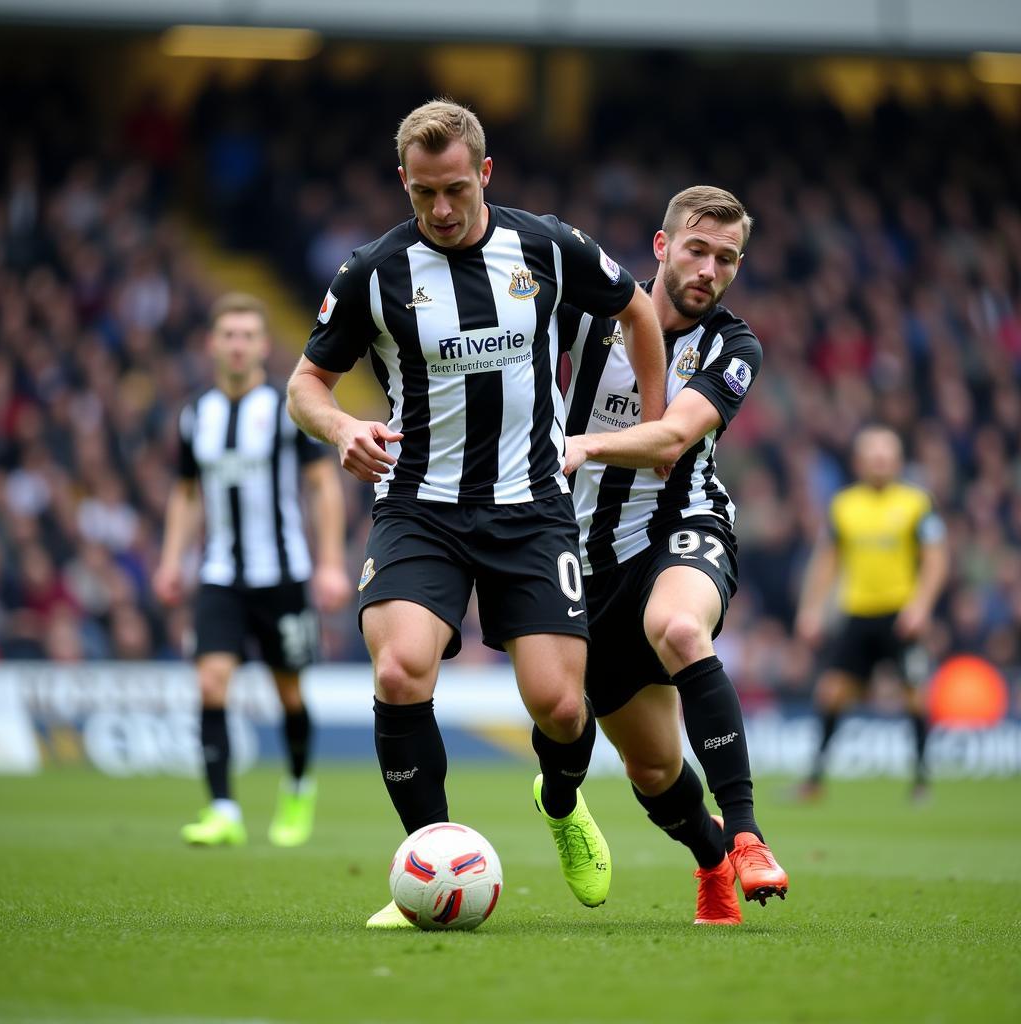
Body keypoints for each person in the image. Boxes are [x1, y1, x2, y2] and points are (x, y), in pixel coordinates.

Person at [286, 99, 667, 928]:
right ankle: (429, 861)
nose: (443, 210)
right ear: (405, 184)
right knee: (397, 670)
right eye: (424, 194)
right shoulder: (372, 273)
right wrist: (344, 425)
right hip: (419, 506)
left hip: (531, 507)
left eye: (456, 188)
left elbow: (638, 307)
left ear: (485, 173)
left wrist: (651, 423)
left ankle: (561, 803)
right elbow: (305, 385)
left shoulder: (547, 247)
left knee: (563, 708)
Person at [561, 185, 788, 925]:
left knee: (682, 629)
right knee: (654, 767)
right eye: (697, 249)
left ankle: (749, 833)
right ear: (662, 248)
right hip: (586, 561)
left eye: (727, 258)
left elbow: (670, 439)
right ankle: (712, 857)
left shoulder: (733, 346)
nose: (710, 269)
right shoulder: (591, 311)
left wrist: (586, 443)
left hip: (682, 524)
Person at [153, 292, 351, 848]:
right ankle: (222, 809)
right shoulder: (197, 415)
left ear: (263, 346)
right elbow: (187, 492)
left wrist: (330, 564)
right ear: (212, 344)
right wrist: (173, 560)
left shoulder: (286, 411)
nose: (237, 345)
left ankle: (297, 786)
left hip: (283, 574)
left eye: (247, 335)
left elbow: (320, 486)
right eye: (228, 335)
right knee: (210, 681)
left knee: (289, 692)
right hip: (221, 576)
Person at [794, 425, 949, 801]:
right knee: (831, 693)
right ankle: (814, 781)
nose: (880, 461)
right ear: (859, 462)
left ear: (897, 461)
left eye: (886, 454)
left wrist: (921, 606)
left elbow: (936, 559)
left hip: (900, 615)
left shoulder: (916, 503)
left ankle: (922, 782)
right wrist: (811, 609)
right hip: (857, 613)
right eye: (873, 455)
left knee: (915, 695)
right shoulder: (844, 506)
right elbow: (826, 562)